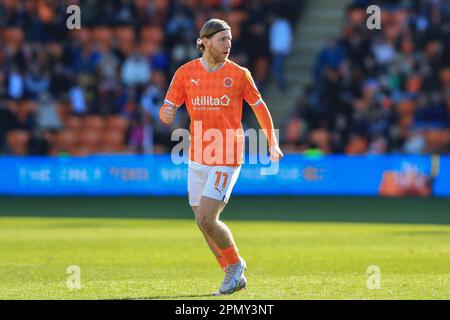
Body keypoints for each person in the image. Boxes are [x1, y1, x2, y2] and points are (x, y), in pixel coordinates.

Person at [159, 19, 283, 295]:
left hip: (228, 153)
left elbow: (259, 108)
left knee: (206, 218)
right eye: (222, 40)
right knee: (202, 224)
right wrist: (165, 114)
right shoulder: (185, 73)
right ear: (204, 41)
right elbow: (167, 107)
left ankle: (235, 264)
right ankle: (231, 272)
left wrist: (272, 142)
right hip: (197, 155)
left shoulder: (239, 74)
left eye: (229, 39)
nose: (228, 45)